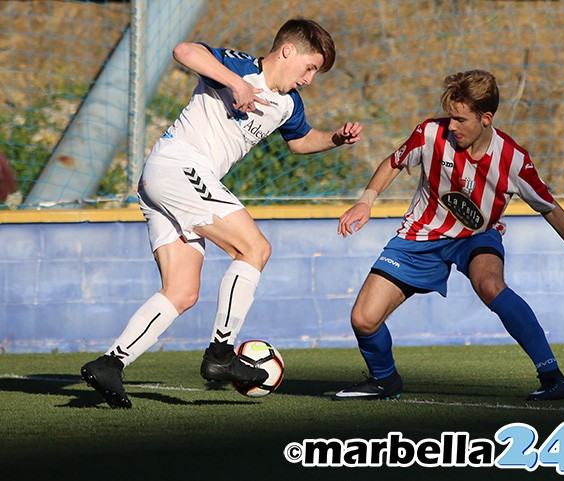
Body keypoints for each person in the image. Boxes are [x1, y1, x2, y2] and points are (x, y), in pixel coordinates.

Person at [81, 18, 362, 408]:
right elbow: (184, 51)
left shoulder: (289, 104)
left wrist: (335, 138)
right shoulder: (240, 66)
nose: (310, 79)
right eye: (310, 67)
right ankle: (220, 355)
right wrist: (235, 83)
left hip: (165, 182)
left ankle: (110, 363)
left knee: (182, 292)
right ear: (287, 52)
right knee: (255, 249)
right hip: (179, 166)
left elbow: (299, 142)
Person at [333, 70, 564, 402]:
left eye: (460, 119)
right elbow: (393, 162)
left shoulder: (513, 160)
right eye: (450, 116)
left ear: (486, 118)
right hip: (422, 235)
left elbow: (550, 208)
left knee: (491, 285)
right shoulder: (430, 133)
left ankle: (553, 378)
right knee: (363, 319)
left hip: (476, 238)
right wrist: (366, 201)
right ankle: (384, 380)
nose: (452, 125)